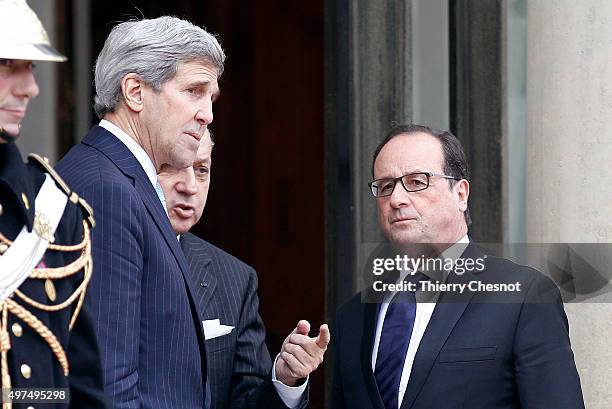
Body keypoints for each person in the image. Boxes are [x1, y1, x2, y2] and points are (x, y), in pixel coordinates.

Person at [331, 124, 585, 409]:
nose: (396, 199)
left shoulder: (524, 297)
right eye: (386, 186)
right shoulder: (352, 317)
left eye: (417, 181)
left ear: (461, 194)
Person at [56, 16, 224, 409]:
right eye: (194, 91)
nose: (207, 115)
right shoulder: (105, 187)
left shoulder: (116, 177)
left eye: (210, 98)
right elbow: (107, 385)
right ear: (134, 91)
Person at [157, 130, 329, 409]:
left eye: (201, 170)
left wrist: (285, 379)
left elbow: (246, 400)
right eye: (172, 167)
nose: (190, 186)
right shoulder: (94, 257)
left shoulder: (236, 279)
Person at [0, 1, 108, 408]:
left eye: (30, 68)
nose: (30, 87)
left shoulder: (55, 211)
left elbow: (78, 388)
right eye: (9, 64)